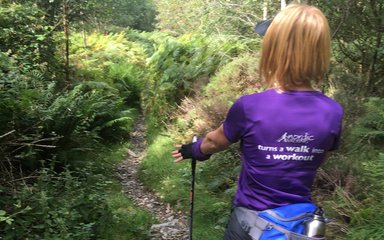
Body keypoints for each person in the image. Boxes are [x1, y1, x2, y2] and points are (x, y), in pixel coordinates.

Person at [172, 3, 343, 240]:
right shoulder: (332, 111)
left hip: (250, 221)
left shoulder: (250, 106)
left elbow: (214, 141)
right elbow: (319, 157)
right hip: (297, 226)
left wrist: (194, 150)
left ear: (274, 50)